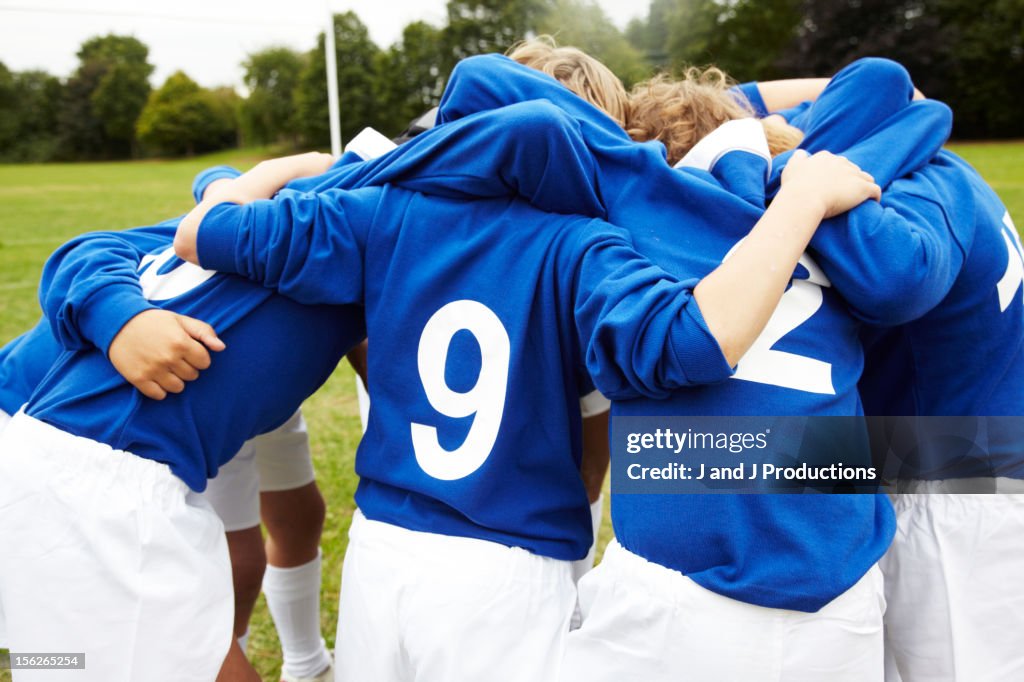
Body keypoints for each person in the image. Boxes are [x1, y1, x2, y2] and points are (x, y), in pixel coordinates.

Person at [173, 96, 879, 682]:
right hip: (503, 564)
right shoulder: (582, 243)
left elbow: (206, 233)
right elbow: (693, 341)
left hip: (381, 547)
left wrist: (269, 172)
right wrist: (804, 201)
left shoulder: (383, 212)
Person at [311, 44, 954, 680]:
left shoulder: (621, 213)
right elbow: (859, 100)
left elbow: (698, 344)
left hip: (670, 590)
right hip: (843, 590)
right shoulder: (820, 222)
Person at [0, 151, 366, 681]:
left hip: (133, 432)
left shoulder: (337, 235)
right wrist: (120, 317)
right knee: (61, 632)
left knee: (60, 641)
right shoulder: (293, 216)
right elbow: (96, 249)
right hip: (46, 419)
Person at [756, 58, 1024, 682]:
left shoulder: (923, 190)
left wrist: (797, 183)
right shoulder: (938, 167)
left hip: (955, 485)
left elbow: (888, 279)